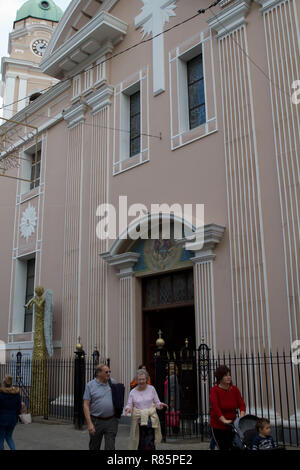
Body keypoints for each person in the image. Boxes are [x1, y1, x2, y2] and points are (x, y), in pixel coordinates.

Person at [125, 369, 168, 450]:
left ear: (146, 379)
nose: (141, 381)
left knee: (150, 444)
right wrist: (128, 409)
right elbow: (129, 404)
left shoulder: (152, 389)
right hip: (138, 422)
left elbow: (157, 402)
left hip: (150, 422)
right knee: (140, 444)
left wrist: (160, 405)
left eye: (143, 379)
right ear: (136, 380)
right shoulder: (133, 392)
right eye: (139, 379)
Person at [83, 364, 119, 450]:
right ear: (99, 373)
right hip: (96, 421)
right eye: (106, 372)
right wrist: (89, 424)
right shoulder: (90, 385)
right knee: (94, 446)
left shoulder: (112, 382)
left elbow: (118, 397)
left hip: (111, 421)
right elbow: (85, 405)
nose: (109, 374)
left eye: (109, 371)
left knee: (110, 447)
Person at [210, 365, 246, 450]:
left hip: (232, 425)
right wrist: (223, 420)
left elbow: (242, 404)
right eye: (225, 375)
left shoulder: (234, 389)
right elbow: (215, 407)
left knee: (233, 446)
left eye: (229, 375)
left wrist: (242, 415)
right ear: (220, 377)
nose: (228, 377)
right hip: (218, 425)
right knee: (223, 446)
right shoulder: (215, 390)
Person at [0, 375, 22, 450]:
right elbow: (19, 408)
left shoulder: (1, 394)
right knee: (9, 437)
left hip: (2, 419)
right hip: (12, 419)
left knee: (1, 438)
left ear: (4, 383)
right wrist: (16, 417)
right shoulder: (16, 394)